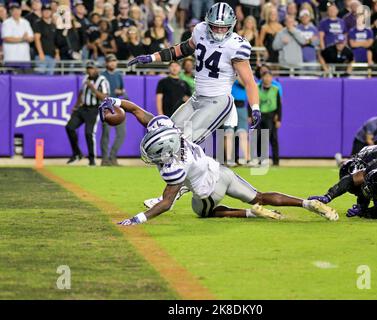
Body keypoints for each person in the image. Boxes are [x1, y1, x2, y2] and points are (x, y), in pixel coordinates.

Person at [98, 97, 339, 225]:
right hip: (220, 172)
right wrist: (115, 102)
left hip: (207, 193)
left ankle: (250, 215)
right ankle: (306, 204)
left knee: (206, 214)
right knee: (261, 196)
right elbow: (137, 110)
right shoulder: (168, 128)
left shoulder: (172, 166)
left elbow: (165, 204)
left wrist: (137, 219)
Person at [127, 2, 261, 209]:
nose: (218, 30)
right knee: (168, 133)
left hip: (218, 101)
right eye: (214, 26)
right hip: (197, 98)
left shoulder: (237, 45)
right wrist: (152, 57)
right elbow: (181, 50)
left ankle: (170, 197)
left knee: (181, 144)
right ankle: (191, 181)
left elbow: (250, 81)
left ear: (232, 25)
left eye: (223, 26)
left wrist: (255, 108)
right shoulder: (200, 30)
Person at [65, 61, 110, 166]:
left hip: (94, 109)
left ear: (96, 69)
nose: (89, 70)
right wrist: (76, 106)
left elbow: (105, 97)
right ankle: (77, 154)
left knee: (89, 133)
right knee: (69, 127)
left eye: (92, 68)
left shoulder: (102, 80)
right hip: (83, 108)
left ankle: (92, 159)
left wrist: (92, 88)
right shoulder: (86, 78)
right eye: (88, 68)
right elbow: (81, 93)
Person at [101, 54, 126, 166]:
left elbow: (122, 90)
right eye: (110, 61)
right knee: (106, 134)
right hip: (106, 108)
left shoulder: (118, 75)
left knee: (121, 133)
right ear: (106, 63)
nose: (113, 63)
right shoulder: (102, 75)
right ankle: (105, 159)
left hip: (118, 108)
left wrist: (121, 92)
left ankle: (112, 156)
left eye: (114, 61)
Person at [256, 69, 281, 166]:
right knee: (259, 138)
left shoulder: (275, 89)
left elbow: (279, 105)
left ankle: (276, 161)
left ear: (272, 78)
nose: (267, 78)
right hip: (259, 115)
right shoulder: (257, 88)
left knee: (272, 138)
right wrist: (250, 115)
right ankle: (260, 159)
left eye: (269, 76)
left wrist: (279, 119)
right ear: (262, 78)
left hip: (271, 116)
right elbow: (252, 101)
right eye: (265, 76)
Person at [34, 3, 59, 75]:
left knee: (50, 78)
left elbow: (55, 41)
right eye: (45, 10)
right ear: (41, 12)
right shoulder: (38, 23)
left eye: (48, 10)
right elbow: (37, 39)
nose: (47, 12)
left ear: (51, 12)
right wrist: (40, 53)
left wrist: (57, 54)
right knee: (40, 78)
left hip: (52, 56)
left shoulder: (53, 25)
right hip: (42, 55)